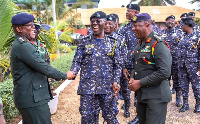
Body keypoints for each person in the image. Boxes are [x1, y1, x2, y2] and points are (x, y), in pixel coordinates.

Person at [10, 13, 75, 124]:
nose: (33, 27)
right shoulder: (23, 46)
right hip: (32, 100)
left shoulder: (23, 44)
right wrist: (65, 75)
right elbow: (44, 68)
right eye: (30, 25)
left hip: (31, 98)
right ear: (19, 28)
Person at [70, 11, 122, 123]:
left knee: (110, 117)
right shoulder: (84, 42)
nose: (94, 24)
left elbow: (118, 65)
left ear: (105, 23)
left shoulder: (113, 43)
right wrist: (73, 72)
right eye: (92, 21)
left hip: (107, 88)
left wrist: (116, 81)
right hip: (87, 89)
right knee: (87, 118)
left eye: (98, 21)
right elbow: (77, 61)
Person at [128, 13, 172, 124]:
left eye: (136, 26)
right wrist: (132, 78)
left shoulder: (158, 44)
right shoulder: (139, 44)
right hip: (142, 95)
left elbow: (164, 72)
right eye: (133, 26)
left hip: (156, 96)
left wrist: (140, 82)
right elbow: (137, 65)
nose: (133, 29)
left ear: (147, 24)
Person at [118, 4, 140, 121]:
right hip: (127, 65)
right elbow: (120, 47)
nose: (126, 13)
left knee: (139, 91)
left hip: (141, 65)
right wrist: (123, 66)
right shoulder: (125, 28)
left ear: (136, 13)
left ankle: (138, 115)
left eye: (129, 11)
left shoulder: (142, 26)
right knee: (126, 88)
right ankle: (127, 107)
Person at [158, 15, 183, 107]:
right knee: (165, 79)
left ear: (174, 22)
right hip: (164, 61)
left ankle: (178, 99)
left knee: (177, 80)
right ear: (166, 22)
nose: (170, 22)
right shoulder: (161, 33)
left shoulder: (179, 33)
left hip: (176, 61)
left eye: (172, 20)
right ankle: (165, 97)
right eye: (168, 20)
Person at [177, 17, 200, 113]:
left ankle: (198, 104)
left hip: (194, 66)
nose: (180, 27)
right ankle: (185, 104)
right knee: (183, 85)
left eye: (182, 25)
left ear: (187, 25)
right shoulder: (183, 36)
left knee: (196, 86)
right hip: (182, 65)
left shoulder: (198, 36)